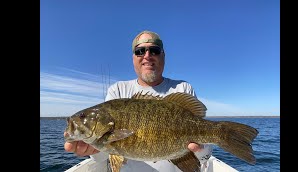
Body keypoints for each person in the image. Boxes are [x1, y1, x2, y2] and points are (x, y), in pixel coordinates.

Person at [64, 30, 213, 171]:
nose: (147, 56)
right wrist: (93, 150)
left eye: (154, 50)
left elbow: (204, 155)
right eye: (140, 51)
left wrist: (201, 151)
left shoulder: (182, 88)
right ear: (133, 57)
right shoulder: (118, 90)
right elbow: (104, 154)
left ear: (163, 55)